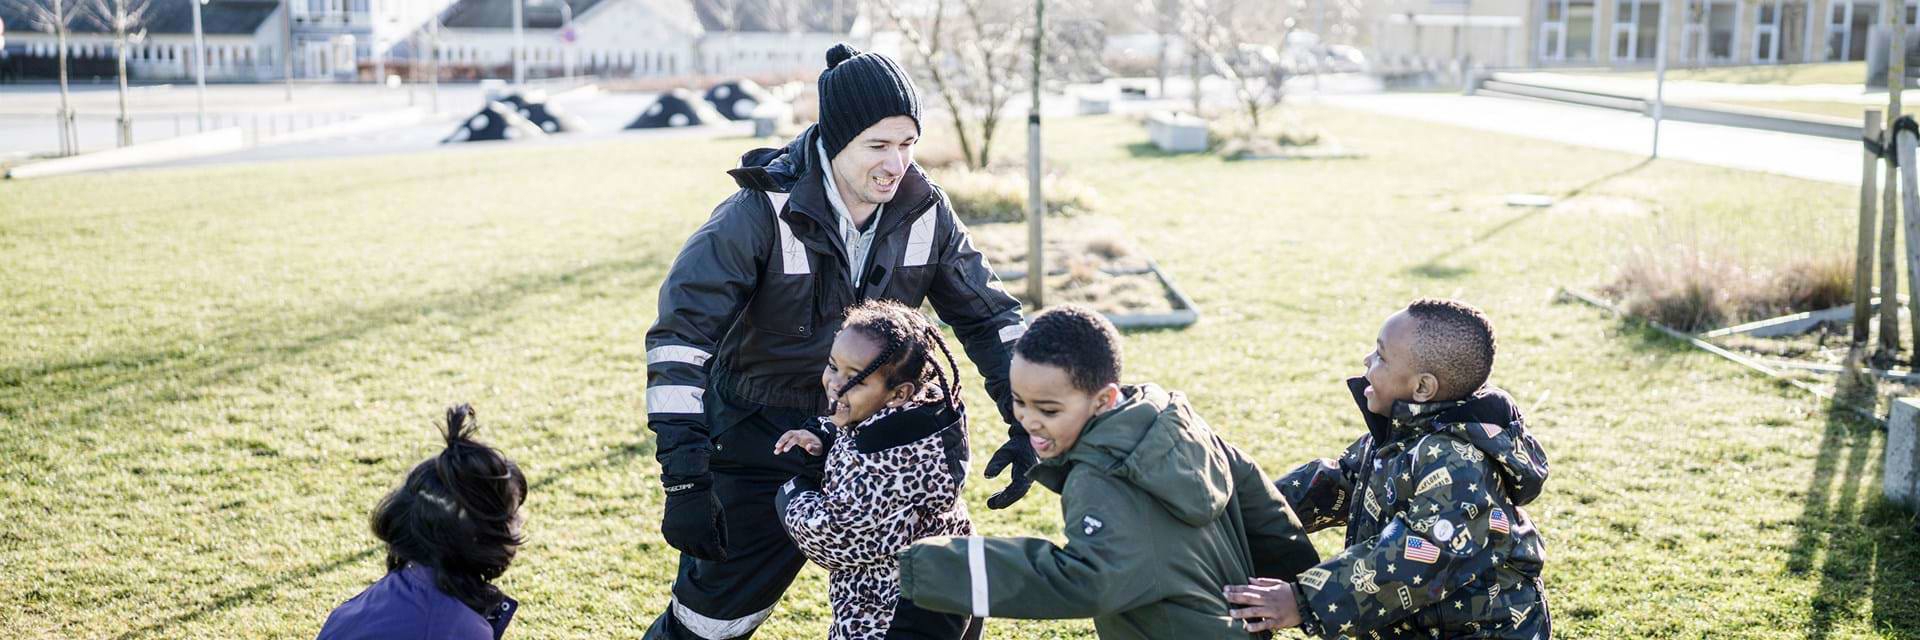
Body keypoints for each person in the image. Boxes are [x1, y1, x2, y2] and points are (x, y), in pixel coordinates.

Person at [642, 41, 1035, 639]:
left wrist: (1023, 414)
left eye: (907, 144)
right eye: (877, 145)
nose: (896, 163)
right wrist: (686, 475)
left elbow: (988, 317)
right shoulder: (758, 210)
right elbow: (680, 339)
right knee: (709, 626)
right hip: (758, 443)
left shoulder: (925, 209)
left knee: (933, 615)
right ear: (833, 139)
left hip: (882, 449)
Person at [896, 305, 1320, 639]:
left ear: (1103, 399)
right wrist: (1294, 580)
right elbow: (1258, 499)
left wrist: (940, 565)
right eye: (1019, 401)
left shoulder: (1097, 480)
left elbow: (1087, 580)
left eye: (1048, 409)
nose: (1028, 420)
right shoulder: (1173, 422)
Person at [1224, 298, 1553, 638]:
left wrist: (1303, 600)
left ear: (1422, 388)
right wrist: (1245, 512)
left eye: (1381, 355)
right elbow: (1337, 484)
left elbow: (1419, 557)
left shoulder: (1458, 463)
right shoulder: (1401, 435)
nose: (1367, 361)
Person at [772, 300, 983, 639]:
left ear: (899, 393)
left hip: (891, 612)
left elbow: (834, 538)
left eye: (855, 378)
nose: (835, 384)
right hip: (952, 588)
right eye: (832, 365)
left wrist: (793, 494)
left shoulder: (881, 462)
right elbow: (852, 433)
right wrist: (822, 435)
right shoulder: (920, 422)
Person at [317, 404, 528, 640]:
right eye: (512, 514)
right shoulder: (457, 628)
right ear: (474, 535)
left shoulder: (387, 595)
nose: (521, 519)